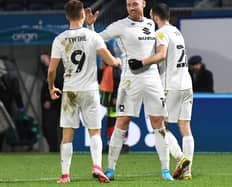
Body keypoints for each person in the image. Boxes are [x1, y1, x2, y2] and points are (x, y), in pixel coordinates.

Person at [85, 0, 173, 181]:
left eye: (135, 4)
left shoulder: (151, 24)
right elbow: (96, 42)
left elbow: (160, 49)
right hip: (129, 80)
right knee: (122, 122)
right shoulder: (119, 26)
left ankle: (165, 170)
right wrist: (91, 26)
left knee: (158, 122)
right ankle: (110, 169)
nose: (131, 7)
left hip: (152, 78)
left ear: (143, 4)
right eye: (128, 4)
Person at [48, 0, 120, 184]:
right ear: (82, 15)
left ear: (66, 16)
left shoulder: (60, 39)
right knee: (94, 131)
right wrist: (118, 61)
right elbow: (110, 61)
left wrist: (51, 87)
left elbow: (51, 70)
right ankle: (97, 166)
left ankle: (65, 175)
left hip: (70, 91)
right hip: (89, 90)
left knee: (67, 135)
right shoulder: (92, 36)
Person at [128, 3, 195, 180]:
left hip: (170, 85)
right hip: (186, 84)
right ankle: (187, 171)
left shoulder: (161, 33)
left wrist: (141, 62)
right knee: (185, 127)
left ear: (155, 16)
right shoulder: (176, 31)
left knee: (158, 124)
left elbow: (162, 54)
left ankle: (180, 157)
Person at [40, 53, 63, 152]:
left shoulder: (55, 73)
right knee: (47, 129)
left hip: (54, 107)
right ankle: (52, 148)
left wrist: (51, 101)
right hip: (48, 107)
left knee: (52, 128)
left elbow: (58, 89)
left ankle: (55, 149)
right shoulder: (45, 72)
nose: (43, 62)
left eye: (44, 59)